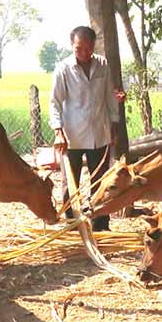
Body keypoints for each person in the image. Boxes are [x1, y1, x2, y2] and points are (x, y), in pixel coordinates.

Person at [49, 25, 124, 232]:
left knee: (100, 181)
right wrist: (58, 132)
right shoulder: (63, 68)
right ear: (72, 46)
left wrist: (114, 126)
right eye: (79, 48)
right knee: (69, 183)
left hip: (99, 133)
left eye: (88, 48)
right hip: (71, 135)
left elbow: (110, 97)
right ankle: (72, 225)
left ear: (94, 46)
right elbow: (55, 102)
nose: (84, 53)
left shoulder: (102, 65)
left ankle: (100, 226)